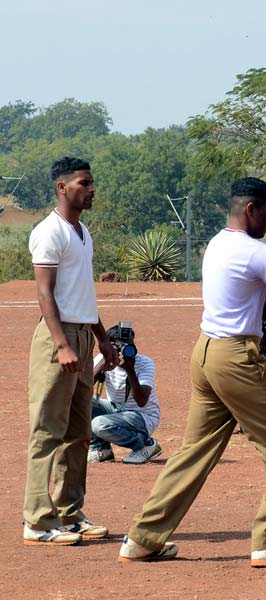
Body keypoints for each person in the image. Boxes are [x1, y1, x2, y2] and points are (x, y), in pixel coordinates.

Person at [118, 178, 266, 567]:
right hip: (236, 359)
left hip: (207, 353)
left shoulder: (218, 244)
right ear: (251, 210)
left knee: (193, 452)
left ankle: (142, 538)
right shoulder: (255, 252)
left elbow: (257, 307)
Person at [24, 157, 119, 546]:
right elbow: (44, 292)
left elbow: (83, 293)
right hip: (56, 340)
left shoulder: (82, 232)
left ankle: (70, 512)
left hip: (81, 337)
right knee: (47, 431)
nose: (92, 189)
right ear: (62, 187)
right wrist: (62, 343)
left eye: (92, 182)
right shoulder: (50, 232)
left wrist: (101, 337)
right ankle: (37, 521)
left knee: (79, 434)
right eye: (85, 183)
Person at [87, 323, 163, 465]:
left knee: (99, 424)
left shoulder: (145, 363)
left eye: (131, 344)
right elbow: (84, 387)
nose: (127, 349)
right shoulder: (102, 358)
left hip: (143, 416)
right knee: (79, 400)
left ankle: (145, 445)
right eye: (121, 346)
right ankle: (102, 450)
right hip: (116, 409)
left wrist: (130, 370)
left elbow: (142, 401)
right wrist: (105, 362)